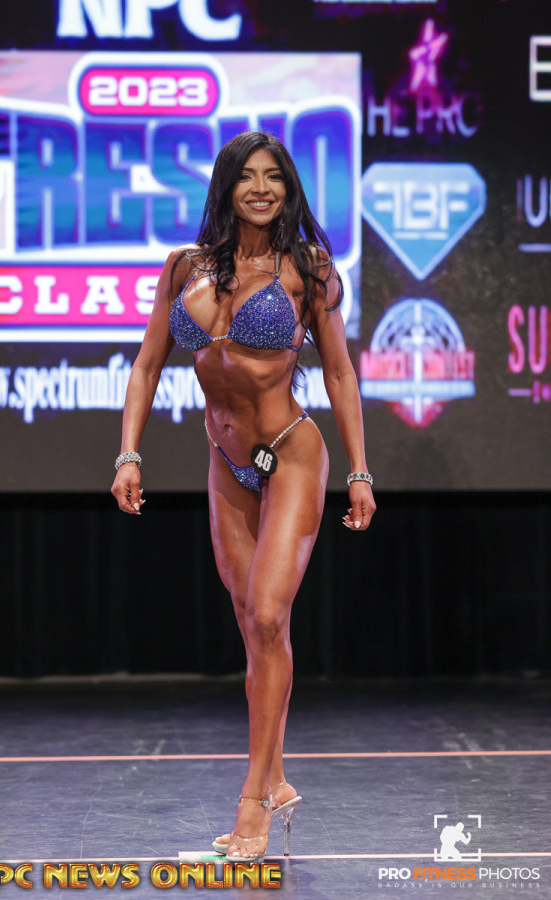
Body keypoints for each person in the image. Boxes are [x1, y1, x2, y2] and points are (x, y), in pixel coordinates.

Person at [111, 131, 376, 862]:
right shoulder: (184, 267)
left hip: (290, 452)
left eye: (275, 177)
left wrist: (360, 470)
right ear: (226, 186)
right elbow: (146, 364)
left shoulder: (308, 269)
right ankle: (277, 778)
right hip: (227, 461)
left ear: (289, 189)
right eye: (248, 176)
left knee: (266, 615)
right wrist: (129, 453)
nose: (261, 189)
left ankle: (253, 802)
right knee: (254, 627)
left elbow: (340, 373)